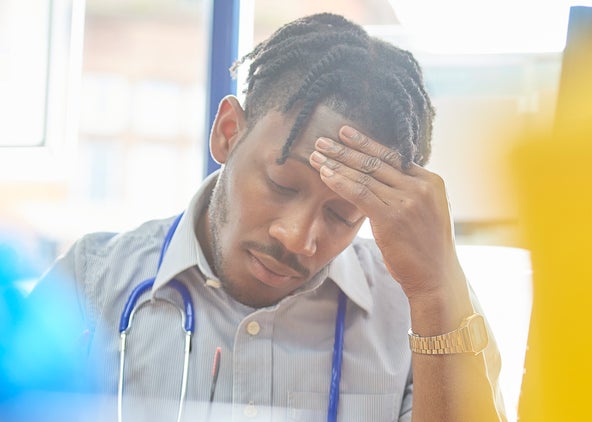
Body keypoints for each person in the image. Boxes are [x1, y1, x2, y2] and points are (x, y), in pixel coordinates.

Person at [32, 12, 505, 421]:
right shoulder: (89, 283)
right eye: (282, 185)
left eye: (342, 215)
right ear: (228, 132)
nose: (298, 238)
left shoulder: (426, 311)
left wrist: (434, 293)